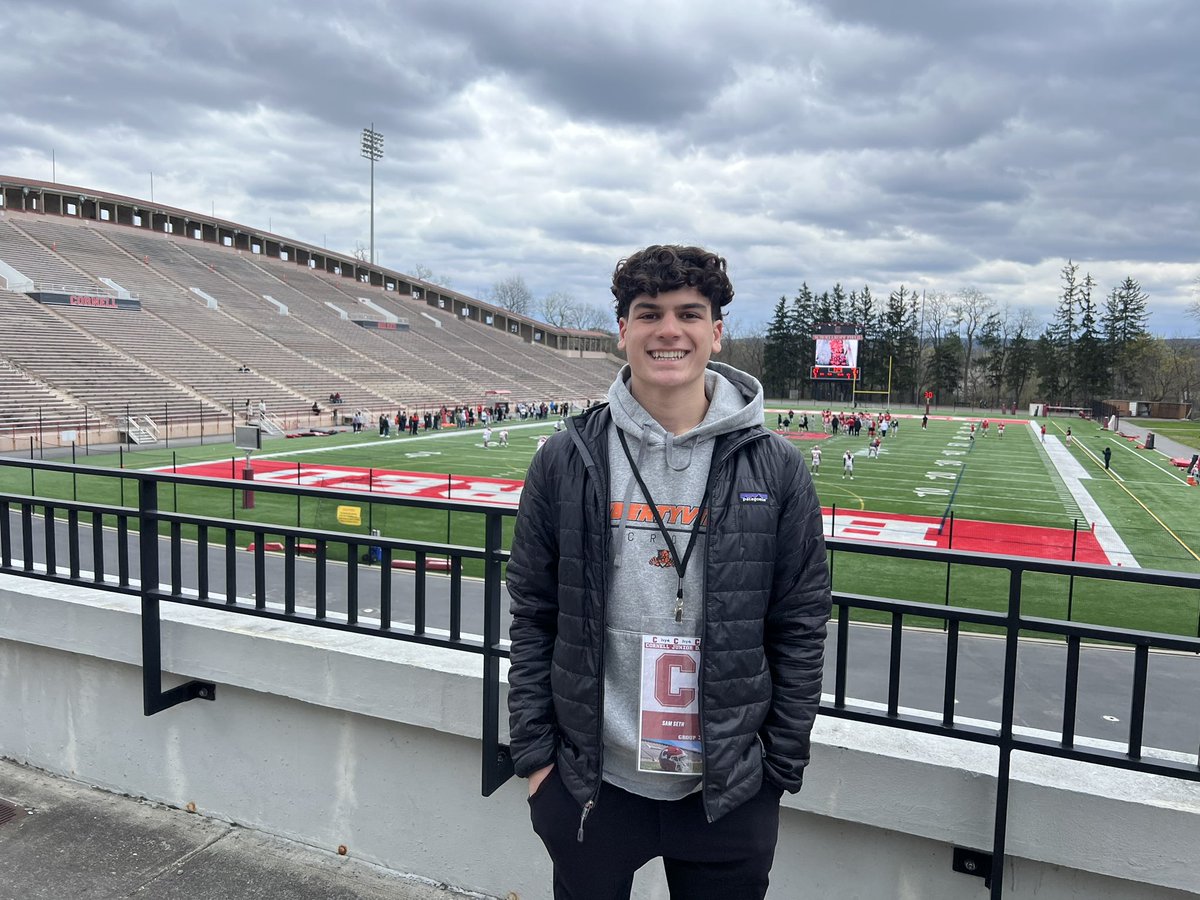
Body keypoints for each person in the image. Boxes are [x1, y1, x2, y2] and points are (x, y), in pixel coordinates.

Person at [507, 245, 830, 900]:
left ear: (716, 331)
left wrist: (777, 770)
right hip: (591, 783)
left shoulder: (777, 467)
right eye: (648, 313)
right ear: (623, 330)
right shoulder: (568, 458)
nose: (668, 330)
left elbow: (799, 625)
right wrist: (538, 759)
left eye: (690, 313)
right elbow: (533, 613)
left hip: (727, 788)